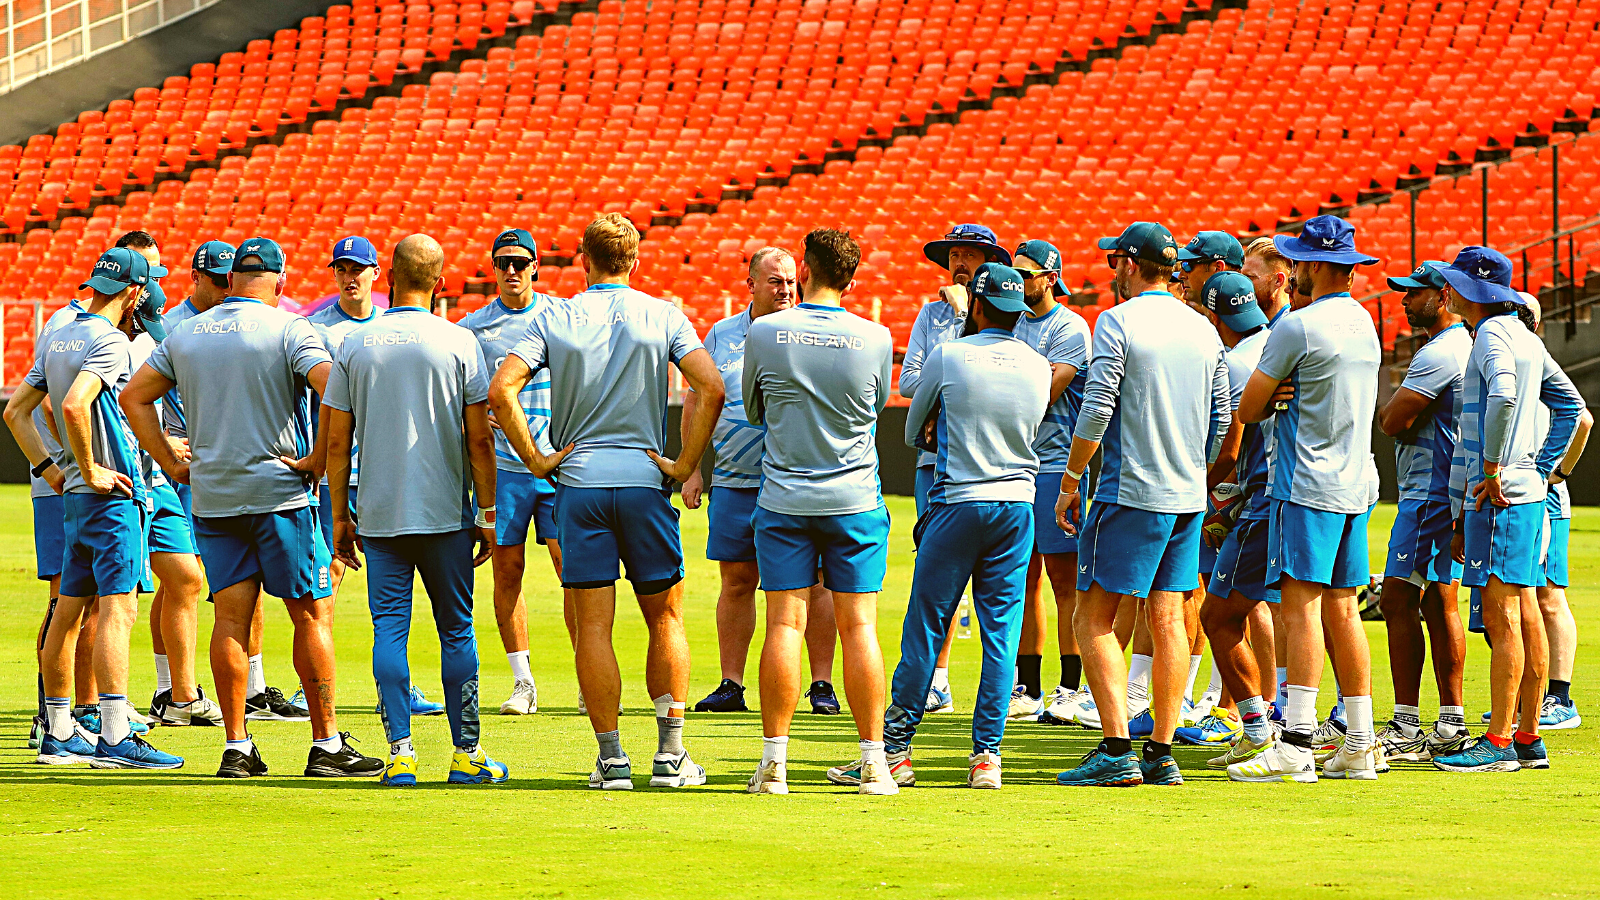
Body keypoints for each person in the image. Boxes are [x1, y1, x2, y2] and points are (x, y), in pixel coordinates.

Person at [123, 236, 382, 779]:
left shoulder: (185, 331)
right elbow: (337, 387)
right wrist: (315, 458)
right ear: (280, 281)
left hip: (214, 498)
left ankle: (237, 746)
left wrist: (172, 461)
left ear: (233, 279)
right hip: (280, 495)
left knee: (230, 619)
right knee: (311, 612)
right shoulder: (290, 328)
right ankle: (327, 745)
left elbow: (134, 398)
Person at [489, 212, 724, 790]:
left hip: (581, 484)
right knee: (665, 616)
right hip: (644, 483)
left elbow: (501, 390)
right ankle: (670, 757)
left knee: (593, 625)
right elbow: (712, 387)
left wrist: (538, 459)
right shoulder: (662, 313)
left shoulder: (557, 316)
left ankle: (612, 759)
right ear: (635, 260)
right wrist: (685, 464)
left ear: (584, 260)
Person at [323, 234, 508, 787]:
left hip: (379, 513)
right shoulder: (458, 342)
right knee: (456, 631)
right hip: (446, 514)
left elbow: (337, 442)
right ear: (440, 281)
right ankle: (466, 754)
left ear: (389, 276)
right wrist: (490, 513)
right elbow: (480, 441)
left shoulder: (354, 343)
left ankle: (401, 753)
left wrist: (339, 515)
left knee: (389, 630)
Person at [1052, 221, 1229, 788]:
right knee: (1170, 616)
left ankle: (1116, 747)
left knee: (1093, 617)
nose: (1112, 272)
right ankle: (1161, 750)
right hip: (1185, 494)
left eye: (1114, 262)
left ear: (1130, 264)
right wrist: (1195, 471)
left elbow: (1098, 406)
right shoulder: (1203, 328)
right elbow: (1222, 417)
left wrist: (1072, 475)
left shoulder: (1117, 321)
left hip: (1129, 490)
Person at [6, 247, 183, 768]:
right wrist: (93, 469)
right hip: (111, 498)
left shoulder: (59, 333)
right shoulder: (110, 342)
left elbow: (18, 412)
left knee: (69, 609)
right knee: (118, 609)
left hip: (75, 502)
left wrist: (56, 471)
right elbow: (74, 404)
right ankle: (113, 734)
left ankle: (59, 732)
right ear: (134, 292)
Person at [878, 263, 1050, 789]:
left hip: (957, 500)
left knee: (926, 625)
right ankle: (986, 759)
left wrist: (936, 428)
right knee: (1001, 635)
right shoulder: (1039, 363)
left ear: (976, 306)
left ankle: (896, 752)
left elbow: (912, 428)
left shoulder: (949, 354)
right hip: (1018, 503)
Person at [738, 228, 895, 796]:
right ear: (851, 278)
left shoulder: (765, 331)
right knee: (860, 628)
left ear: (804, 270)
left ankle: (774, 763)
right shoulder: (876, 335)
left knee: (784, 624)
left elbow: (754, 410)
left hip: (783, 498)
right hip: (854, 498)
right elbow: (876, 408)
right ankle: (874, 764)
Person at [1230, 215, 1384, 783]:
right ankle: (1361, 743)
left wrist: (1275, 398)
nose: (1292, 269)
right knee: (1345, 609)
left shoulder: (1297, 326)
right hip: (1356, 481)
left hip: (1306, 483)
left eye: (1299, 260)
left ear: (1315, 265)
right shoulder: (1363, 320)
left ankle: (1294, 743)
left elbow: (1247, 409)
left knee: (1300, 610)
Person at [1431, 249, 1583, 773]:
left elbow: (1503, 396)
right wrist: (1544, 469)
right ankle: (1528, 736)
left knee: (1504, 618)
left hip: (1499, 495)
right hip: (1527, 494)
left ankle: (1497, 743)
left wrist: (1495, 470)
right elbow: (1574, 409)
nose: (1447, 290)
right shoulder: (1525, 335)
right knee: (1526, 611)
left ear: (1472, 290)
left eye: (1452, 282)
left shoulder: (1493, 335)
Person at [684, 247, 840, 716]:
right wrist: (692, 466)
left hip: (797, 481)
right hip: (735, 480)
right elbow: (698, 399)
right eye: (775, 281)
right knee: (736, 581)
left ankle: (821, 685)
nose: (786, 289)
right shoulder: (722, 334)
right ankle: (732, 683)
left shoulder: (811, 331)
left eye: (791, 280)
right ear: (750, 284)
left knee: (815, 583)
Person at [901, 223, 1012, 714]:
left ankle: (999, 705)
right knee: (935, 573)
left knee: (994, 594)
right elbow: (908, 382)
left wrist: (961, 327)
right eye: (954, 254)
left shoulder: (1008, 316)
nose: (960, 262)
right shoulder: (928, 314)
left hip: (988, 466)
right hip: (935, 464)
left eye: (971, 254)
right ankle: (938, 680)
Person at [460, 228, 567, 716]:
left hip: (561, 464)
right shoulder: (474, 328)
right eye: (503, 262)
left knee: (578, 573)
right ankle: (523, 681)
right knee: (507, 571)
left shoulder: (561, 317)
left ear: (535, 267)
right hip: (504, 468)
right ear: (492, 267)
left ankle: (590, 673)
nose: (511, 271)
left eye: (520, 263)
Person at [113, 232, 217, 729]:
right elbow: (59, 403)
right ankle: (77, 711)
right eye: (146, 274)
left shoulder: (151, 332)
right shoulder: (102, 337)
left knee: (186, 576)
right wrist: (72, 467)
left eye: (159, 274)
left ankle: (178, 696)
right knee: (106, 598)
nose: (155, 283)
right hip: (125, 477)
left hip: (157, 473)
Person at [1373, 260, 1472, 762]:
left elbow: (1391, 421)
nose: (1406, 300)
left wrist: (1395, 412)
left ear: (1444, 296)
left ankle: (1407, 722)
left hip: (1428, 493)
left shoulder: (1440, 352)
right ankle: (1451, 721)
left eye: (1416, 292)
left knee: (1396, 601)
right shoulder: (1462, 347)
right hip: (1442, 492)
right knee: (1439, 602)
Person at [1190, 271, 1280, 769]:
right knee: (1314, 609)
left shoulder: (1233, 363)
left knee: (1217, 617)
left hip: (1261, 499)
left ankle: (1260, 728)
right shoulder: (1271, 341)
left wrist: (1200, 490)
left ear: (1213, 314)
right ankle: (1314, 725)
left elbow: (1231, 448)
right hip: (1296, 494)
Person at [1005, 240, 1092, 726]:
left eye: (1027, 273)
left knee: (1066, 581)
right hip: (1017, 463)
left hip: (1057, 464)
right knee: (1023, 578)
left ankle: (1070, 688)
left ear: (1050, 277)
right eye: (1014, 274)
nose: (1018, 282)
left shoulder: (1069, 327)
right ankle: (1028, 686)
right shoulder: (1012, 322)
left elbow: (1048, 388)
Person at [22, 287, 99, 749]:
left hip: (69, 479)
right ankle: (52, 717)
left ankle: (78, 713)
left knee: (85, 601)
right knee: (66, 598)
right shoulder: (69, 326)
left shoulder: (77, 326)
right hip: (67, 483)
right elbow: (52, 403)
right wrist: (70, 465)